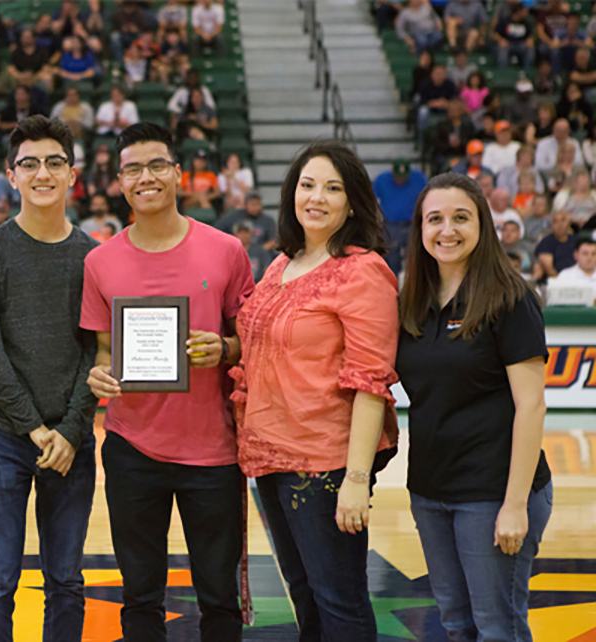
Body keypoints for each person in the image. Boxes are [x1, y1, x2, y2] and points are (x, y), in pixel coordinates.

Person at [83, 122, 254, 642]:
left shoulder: (226, 250)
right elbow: (105, 353)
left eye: (157, 165)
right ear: (119, 181)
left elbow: (251, 340)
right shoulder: (99, 261)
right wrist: (99, 375)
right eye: (133, 168)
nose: (146, 177)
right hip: (133, 448)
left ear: (179, 174)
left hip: (215, 451)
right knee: (139, 598)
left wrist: (223, 349)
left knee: (219, 598)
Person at [230, 138, 398, 641]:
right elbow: (258, 346)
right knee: (304, 594)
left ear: (352, 202)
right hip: (271, 457)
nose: (316, 198)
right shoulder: (283, 263)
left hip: (324, 465)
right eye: (307, 185)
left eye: (332, 188)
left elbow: (371, 383)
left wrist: (356, 478)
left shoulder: (363, 271)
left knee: (339, 602)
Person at [396, 171, 552, 642]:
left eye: (461, 218)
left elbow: (532, 407)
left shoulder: (510, 298)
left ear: (482, 224)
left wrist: (515, 505)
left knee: (497, 629)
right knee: (456, 625)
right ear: (419, 229)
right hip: (429, 491)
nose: (447, 230)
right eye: (435, 219)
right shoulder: (413, 302)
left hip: (492, 494)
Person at [0, 116, 98, 642]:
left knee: (66, 580)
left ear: (72, 174)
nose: (42, 173)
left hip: (72, 439)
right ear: (11, 176)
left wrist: (69, 429)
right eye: (29, 164)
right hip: (1, 436)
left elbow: (98, 352)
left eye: (54, 162)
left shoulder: (94, 256)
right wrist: (33, 427)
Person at [374, 159, 428, 276]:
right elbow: (371, 198)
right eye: (398, 177)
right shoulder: (382, 179)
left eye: (403, 177)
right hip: (391, 225)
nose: (401, 180)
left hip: (412, 224)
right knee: (391, 260)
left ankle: (414, 287)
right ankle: (392, 288)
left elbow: (428, 197)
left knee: (415, 258)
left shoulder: (419, 178)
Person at [535, 209, 577, 278]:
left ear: (568, 223)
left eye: (563, 220)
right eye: (555, 222)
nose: (560, 225)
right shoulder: (546, 243)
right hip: (556, 281)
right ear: (551, 225)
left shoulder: (576, 240)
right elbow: (549, 269)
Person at [552, 235, 596, 300]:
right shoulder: (565, 276)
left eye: (593, 254)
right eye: (585, 253)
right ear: (576, 255)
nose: (589, 258)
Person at [493, 1, 535, 68]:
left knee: (530, 49)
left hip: (521, 44)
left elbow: (530, 36)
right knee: (502, 50)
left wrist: (530, 40)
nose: (527, 13)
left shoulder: (526, 23)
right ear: (519, 11)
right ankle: (502, 71)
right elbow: (495, 34)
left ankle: (527, 69)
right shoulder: (505, 21)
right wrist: (501, 40)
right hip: (508, 44)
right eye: (525, 11)